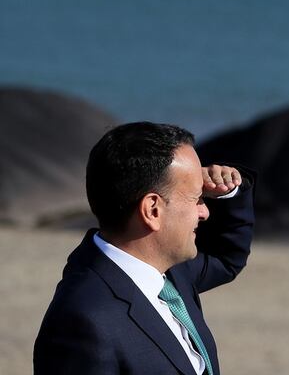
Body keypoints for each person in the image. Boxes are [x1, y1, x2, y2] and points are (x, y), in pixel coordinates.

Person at [34, 121, 255, 375]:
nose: (205, 211)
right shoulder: (82, 320)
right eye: (197, 198)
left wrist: (226, 192)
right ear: (152, 210)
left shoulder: (170, 274)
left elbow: (226, 259)